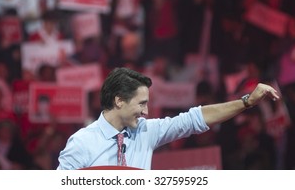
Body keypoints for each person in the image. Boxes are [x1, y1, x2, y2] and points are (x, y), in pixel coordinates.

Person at [56, 67, 280, 170]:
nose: (146, 112)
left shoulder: (145, 131)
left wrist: (247, 102)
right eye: (141, 104)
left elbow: (195, 119)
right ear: (119, 101)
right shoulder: (82, 143)